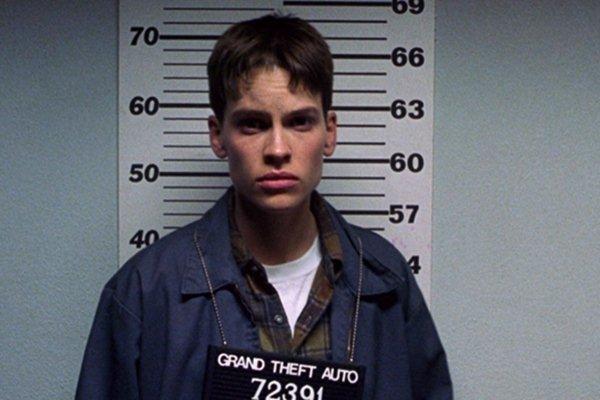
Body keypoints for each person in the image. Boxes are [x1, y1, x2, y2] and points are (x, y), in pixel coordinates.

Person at [76, 13, 452, 399]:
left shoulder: (386, 279)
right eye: (253, 124)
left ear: (330, 132)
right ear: (218, 135)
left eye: (299, 122)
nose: (277, 149)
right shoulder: (144, 292)